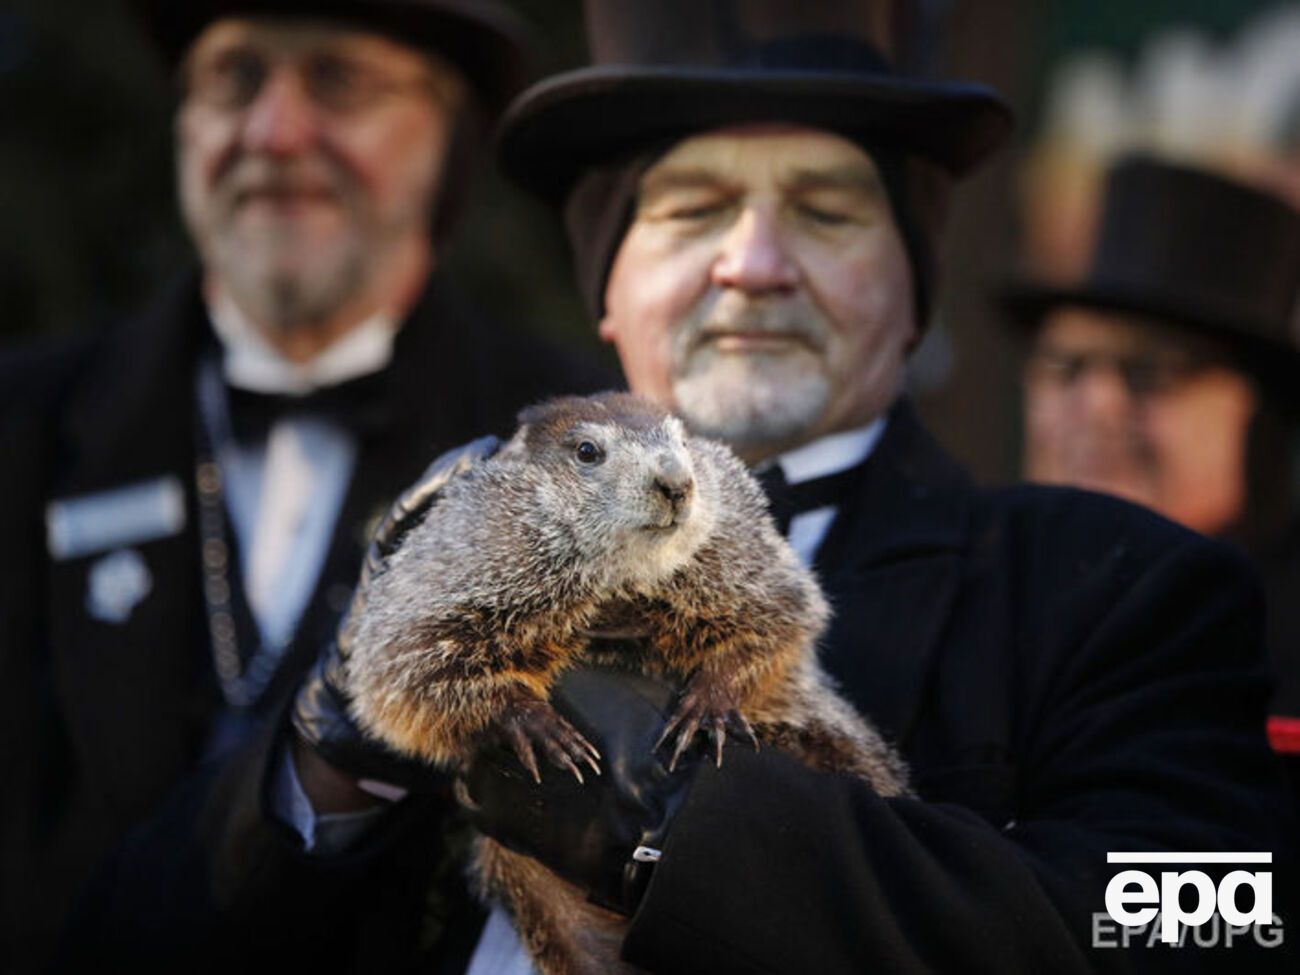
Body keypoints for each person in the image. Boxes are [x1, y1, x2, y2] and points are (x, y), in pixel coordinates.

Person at [58, 2, 1295, 973]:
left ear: (912, 293)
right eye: (693, 209)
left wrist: (685, 831)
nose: (752, 263)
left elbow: (1217, 920)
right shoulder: (452, 524)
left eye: (825, 212)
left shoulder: (1112, 585)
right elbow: (113, 937)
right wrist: (324, 768)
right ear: (608, 290)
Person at [0, 1, 611, 972]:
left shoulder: (581, 452)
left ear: (448, 133)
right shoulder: (23, 423)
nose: (276, 133)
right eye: (234, 78)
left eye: (339, 81)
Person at [1005, 154, 1300, 805]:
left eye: (1150, 372)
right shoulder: (970, 595)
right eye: (1065, 366)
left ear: (1260, 417)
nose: (1097, 405)